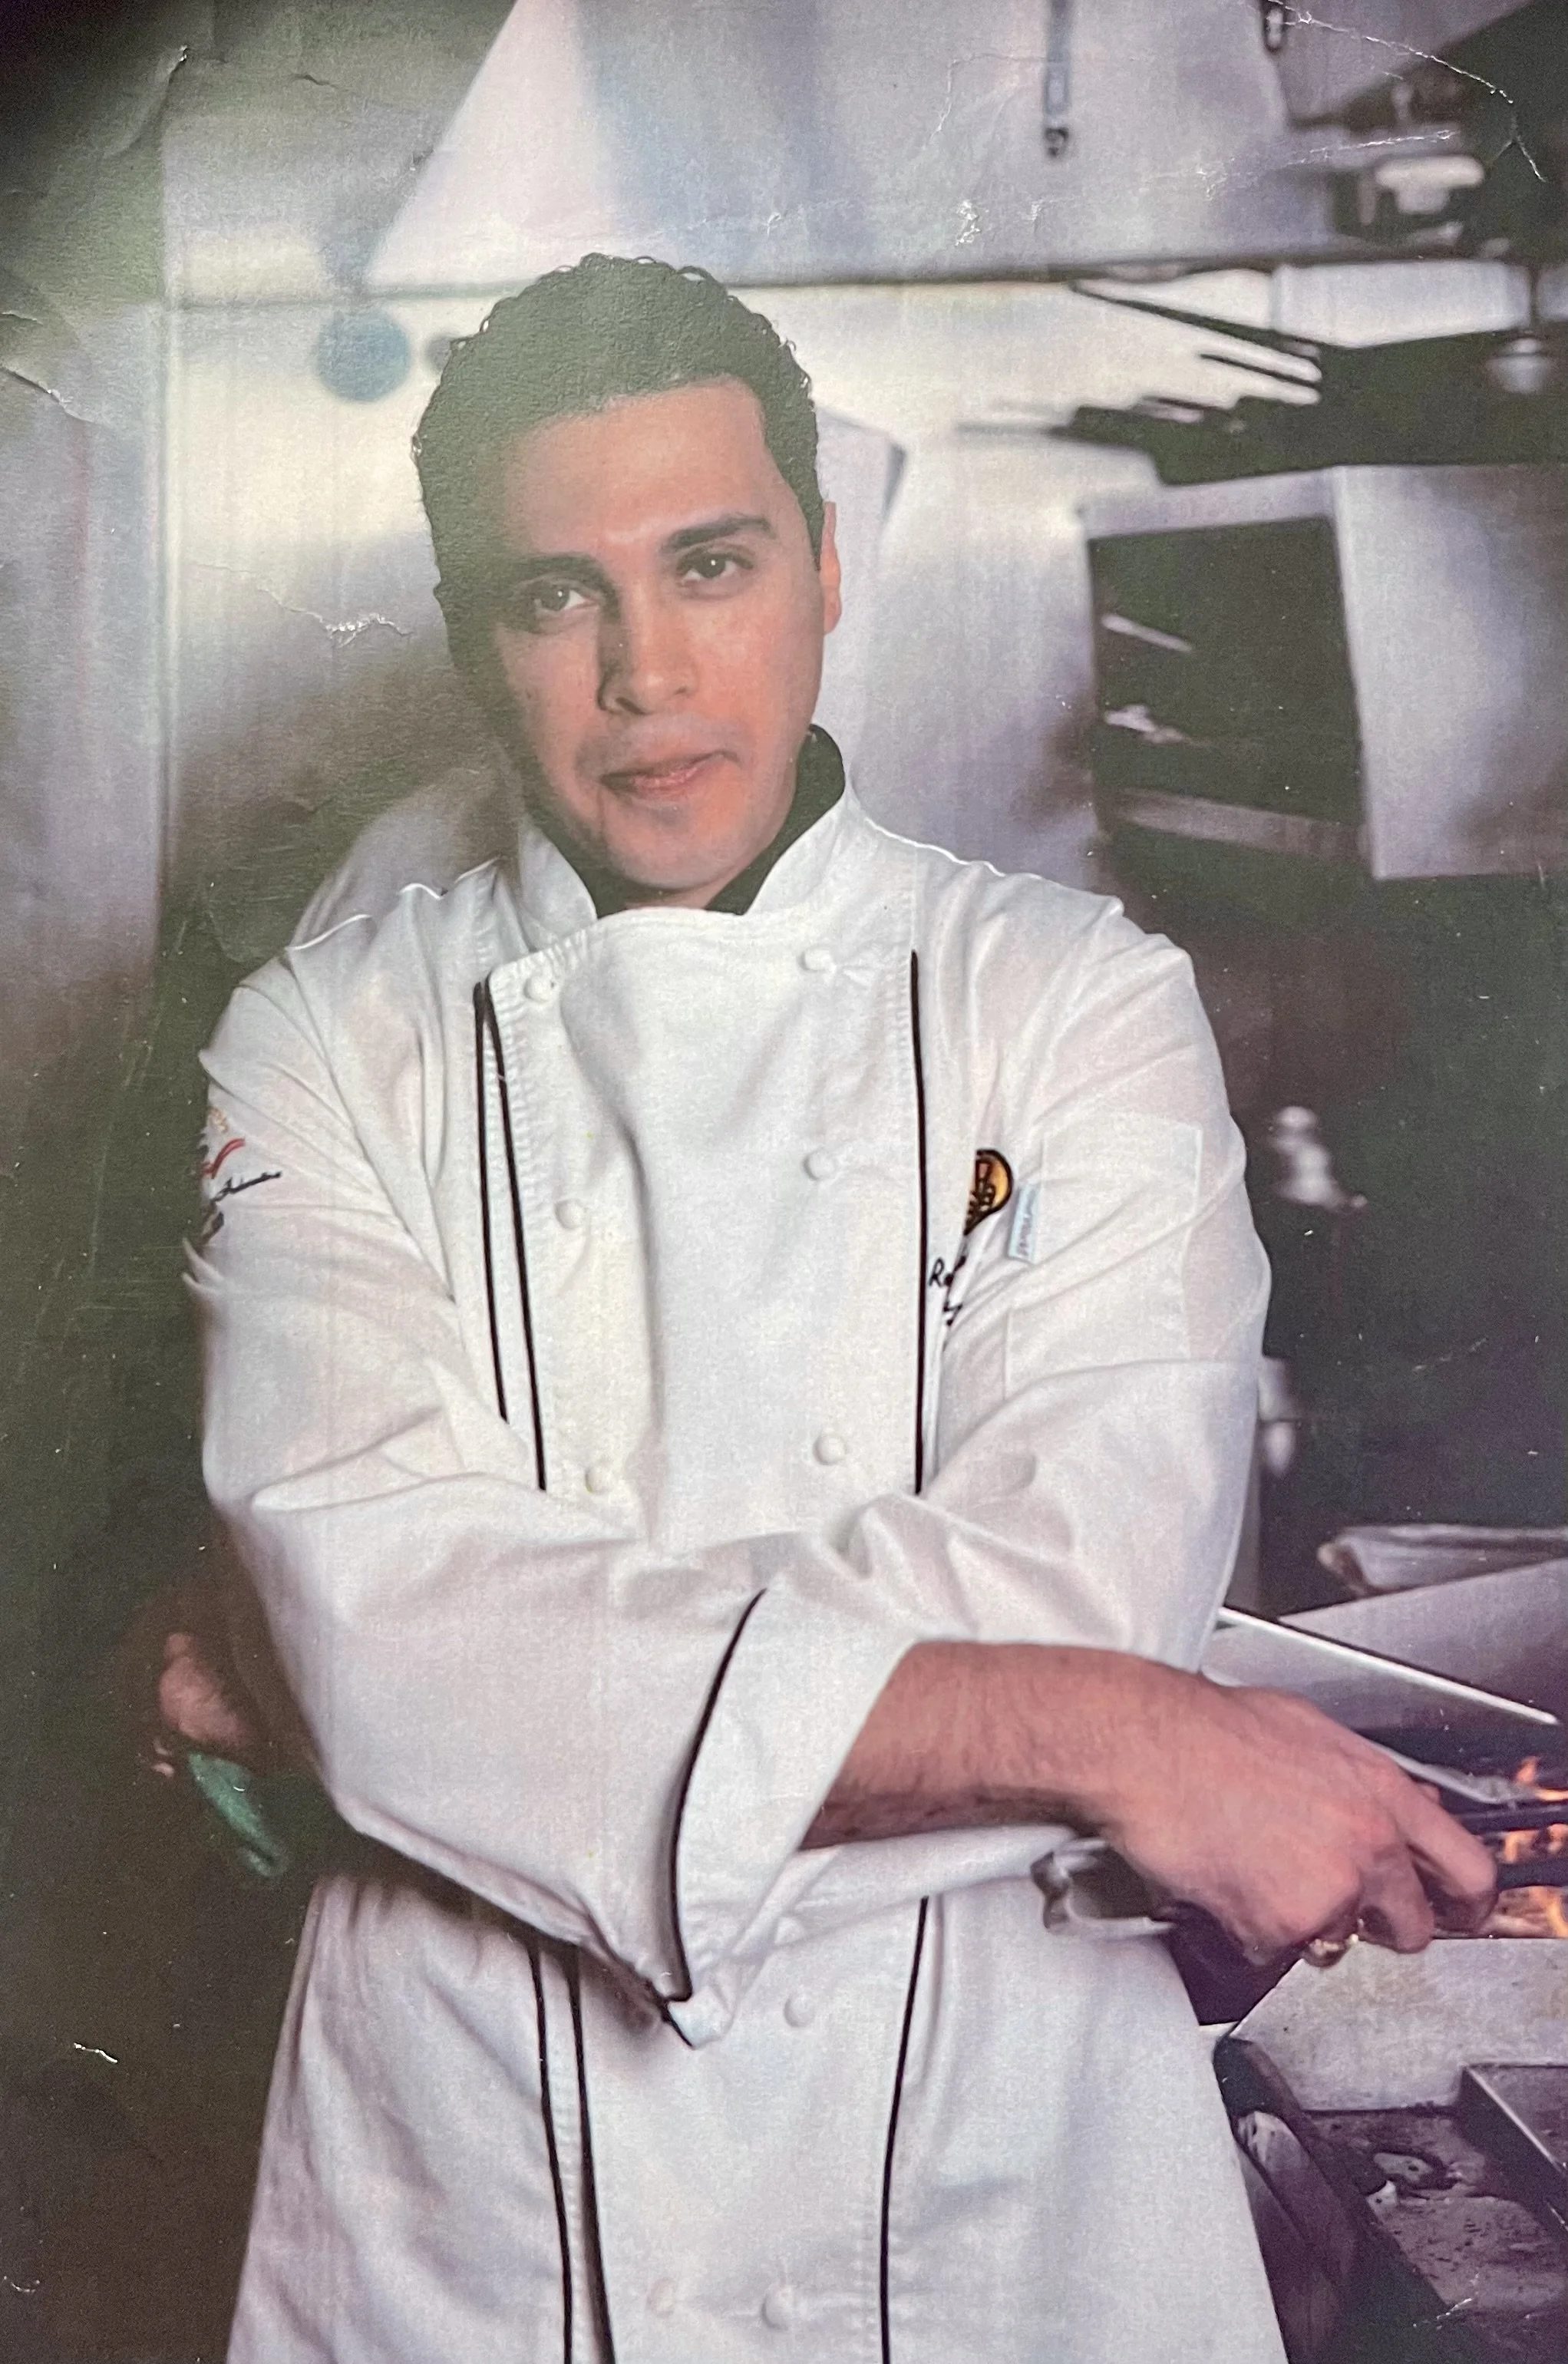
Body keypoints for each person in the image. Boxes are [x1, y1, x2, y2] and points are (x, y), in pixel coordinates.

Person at [180, 255, 1495, 2364]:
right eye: (554, 596)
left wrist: (503, 1717)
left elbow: (1083, 1580)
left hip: (998, 2165)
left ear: (825, 568)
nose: (645, 670)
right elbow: (389, 1630)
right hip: (476, 2181)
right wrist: (1097, 1744)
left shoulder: (1071, 1004)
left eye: (712, 562)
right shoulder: (331, 1039)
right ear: (472, 640)